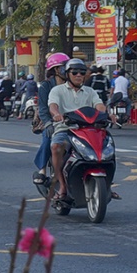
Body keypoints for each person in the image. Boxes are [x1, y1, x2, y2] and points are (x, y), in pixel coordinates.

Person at [48, 58, 105, 201]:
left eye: (82, 72)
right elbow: (53, 105)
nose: (79, 75)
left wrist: (105, 114)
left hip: (89, 130)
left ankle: (107, 185)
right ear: (68, 74)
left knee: (106, 149)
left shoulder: (90, 91)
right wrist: (56, 114)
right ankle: (61, 186)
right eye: (75, 72)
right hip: (65, 129)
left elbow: (99, 105)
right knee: (56, 147)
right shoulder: (57, 90)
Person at [33, 53, 68, 185]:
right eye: (63, 67)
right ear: (56, 70)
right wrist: (48, 123)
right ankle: (42, 170)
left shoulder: (72, 85)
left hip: (73, 121)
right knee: (48, 139)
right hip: (52, 121)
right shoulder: (46, 86)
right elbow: (42, 108)